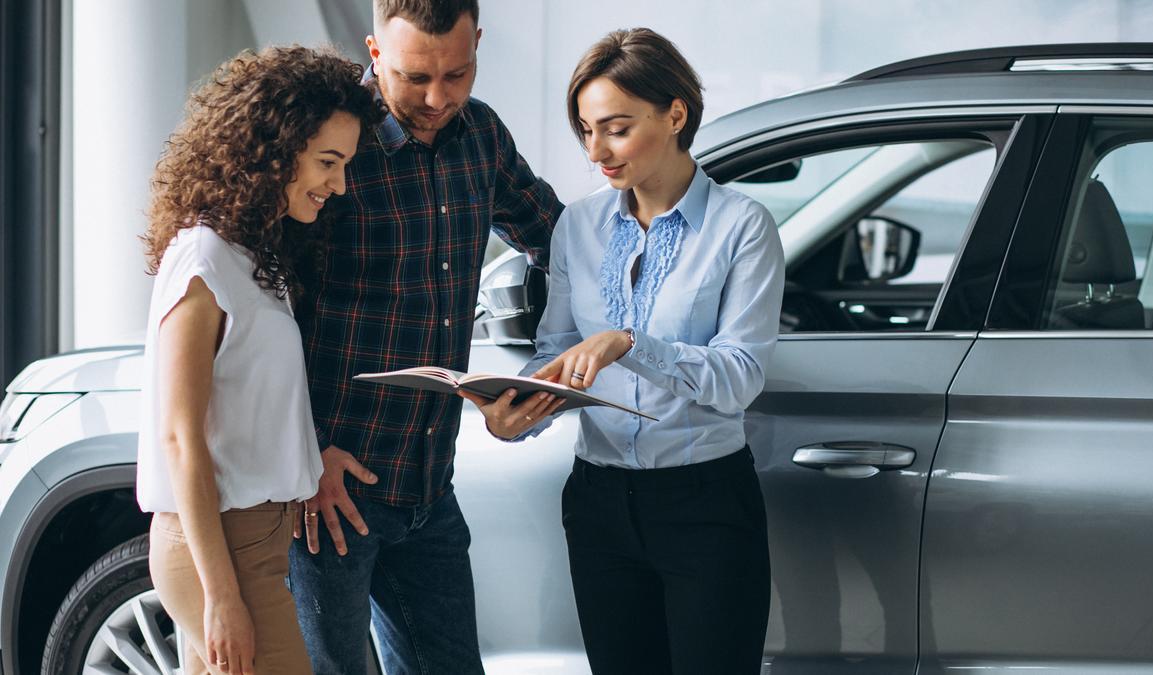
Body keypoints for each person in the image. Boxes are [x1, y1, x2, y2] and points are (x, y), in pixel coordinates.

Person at [460, 27, 785, 675]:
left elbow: (739, 378)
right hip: (598, 503)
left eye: (615, 127)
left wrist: (629, 344)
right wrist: (519, 408)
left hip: (705, 507)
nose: (596, 152)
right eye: (585, 130)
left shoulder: (742, 227)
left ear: (675, 113)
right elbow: (553, 349)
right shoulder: (577, 227)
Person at [287, 1, 563, 673]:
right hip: (332, 495)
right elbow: (267, 310)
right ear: (374, 53)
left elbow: (562, 242)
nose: (439, 97)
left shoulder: (484, 137)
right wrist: (302, 452)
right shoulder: (331, 143)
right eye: (416, 78)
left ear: (478, 48)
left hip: (431, 487)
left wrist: (554, 364)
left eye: (458, 73)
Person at [136, 46, 384, 675]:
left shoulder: (253, 255)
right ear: (274, 148)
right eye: (328, 163)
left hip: (255, 540)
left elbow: (246, 400)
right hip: (219, 550)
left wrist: (306, 455)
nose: (339, 184)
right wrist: (221, 596)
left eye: (346, 165)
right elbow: (180, 437)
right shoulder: (202, 259)